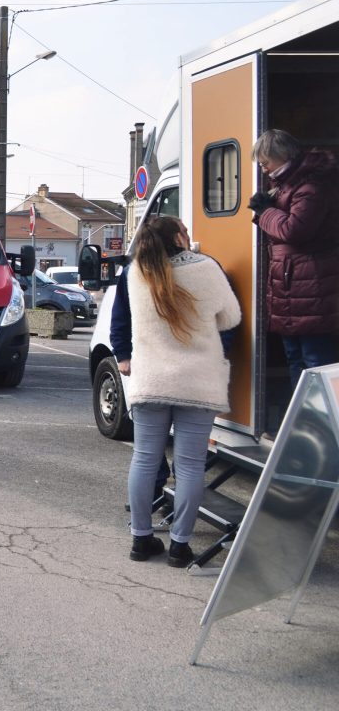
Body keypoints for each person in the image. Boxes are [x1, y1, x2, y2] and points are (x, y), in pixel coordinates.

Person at [111, 217, 240, 567]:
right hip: (197, 381)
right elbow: (231, 318)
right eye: (185, 230)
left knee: (145, 459)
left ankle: (141, 540)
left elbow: (120, 320)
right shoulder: (208, 269)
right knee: (190, 465)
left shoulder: (135, 273)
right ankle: (180, 547)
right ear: (179, 237)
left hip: (151, 380)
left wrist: (124, 353)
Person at [249, 129, 339, 389]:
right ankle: (302, 421)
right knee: (296, 358)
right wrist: (267, 209)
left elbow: (293, 230)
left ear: (283, 155)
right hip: (294, 287)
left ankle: (323, 425)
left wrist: (265, 211)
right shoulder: (288, 185)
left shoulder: (310, 186)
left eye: (265, 161)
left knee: (315, 362)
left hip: (310, 288)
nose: (263, 168)